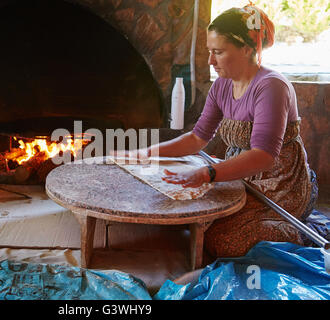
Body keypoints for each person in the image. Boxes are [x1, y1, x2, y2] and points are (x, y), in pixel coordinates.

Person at [115, 3, 318, 258]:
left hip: (279, 184)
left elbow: (264, 156)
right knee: (181, 219)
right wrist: (146, 153)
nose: (210, 61)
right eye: (210, 52)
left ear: (247, 49)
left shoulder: (271, 87)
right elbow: (197, 138)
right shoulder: (222, 85)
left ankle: (295, 233)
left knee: (222, 241)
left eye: (218, 52)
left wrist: (207, 173)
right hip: (239, 177)